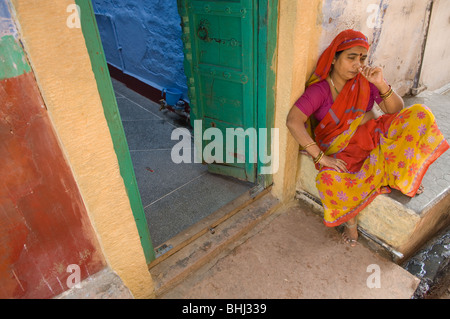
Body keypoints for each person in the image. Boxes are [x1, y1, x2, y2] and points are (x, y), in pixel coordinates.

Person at [286, 29, 449, 246]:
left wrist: (380, 83)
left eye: (362, 58)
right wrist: (320, 158)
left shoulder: (365, 82)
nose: (357, 64)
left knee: (420, 114)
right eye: (350, 57)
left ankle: (402, 176)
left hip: (372, 137)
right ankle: (350, 225)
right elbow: (293, 121)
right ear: (334, 59)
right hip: (343, 152)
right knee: (327, 181)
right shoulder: (319, 91)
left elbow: (396, 111)